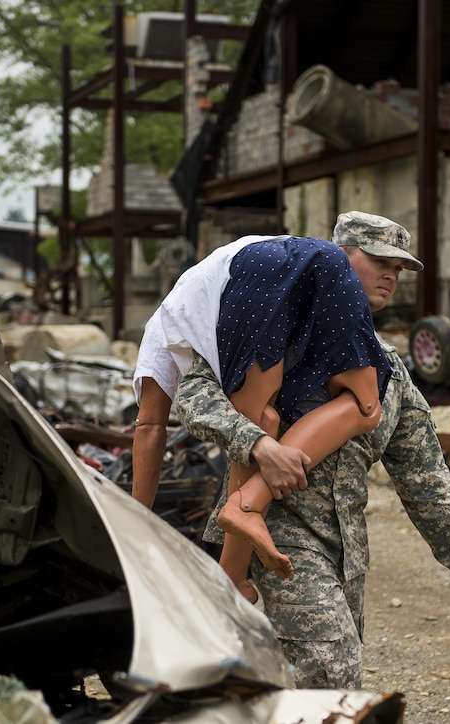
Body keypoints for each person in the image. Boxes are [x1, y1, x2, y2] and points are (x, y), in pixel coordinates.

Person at [173, 211, 450, 689]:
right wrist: (257, 444)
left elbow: (424, 474)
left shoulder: (388, 371)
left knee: (289, 679)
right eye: (378, 259)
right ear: (338, 259)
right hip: (275, 534)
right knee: (332, 670)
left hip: (344, 551)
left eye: (399, 268)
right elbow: (192, 395)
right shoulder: (272, 328)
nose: (391, 274)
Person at [131, 233, 391, 605]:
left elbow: (150, 427)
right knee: (366, 407)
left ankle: (235, 556)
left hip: (257, 272)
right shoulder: (201, 288)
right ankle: (238, 545)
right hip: (317, 259)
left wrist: (136, 521)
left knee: (256, 423)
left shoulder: (165, 324)